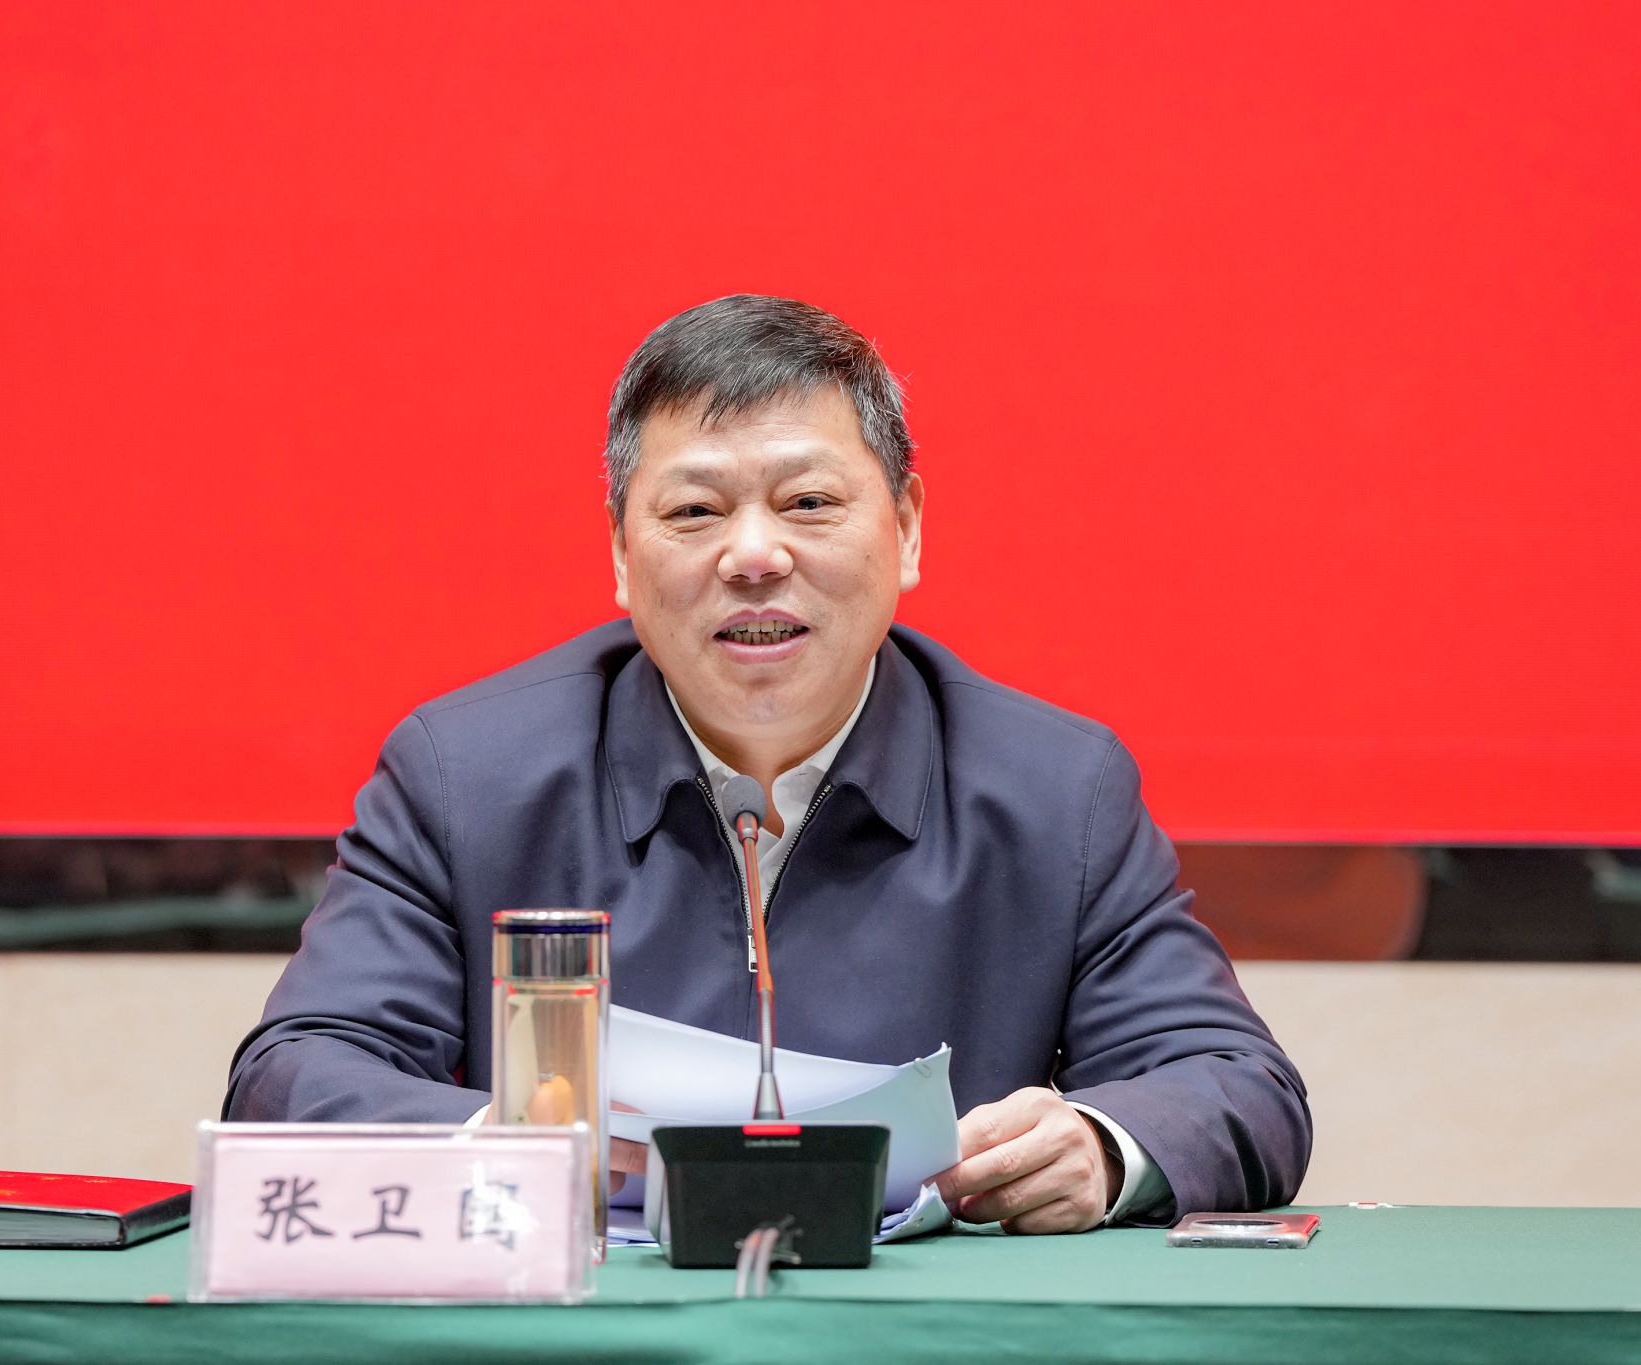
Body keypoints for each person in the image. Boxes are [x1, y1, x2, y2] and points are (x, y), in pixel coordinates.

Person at [225, 295, 1310, 1232]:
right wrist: (525, 1152)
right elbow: (295, 1073)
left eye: (808, 503)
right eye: (694, 512)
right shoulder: (467, 776)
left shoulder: (1055, 789)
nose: (752, 555)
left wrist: (1103, 1145)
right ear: (620, 552)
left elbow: (1233, 1083)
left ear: (906, 528)